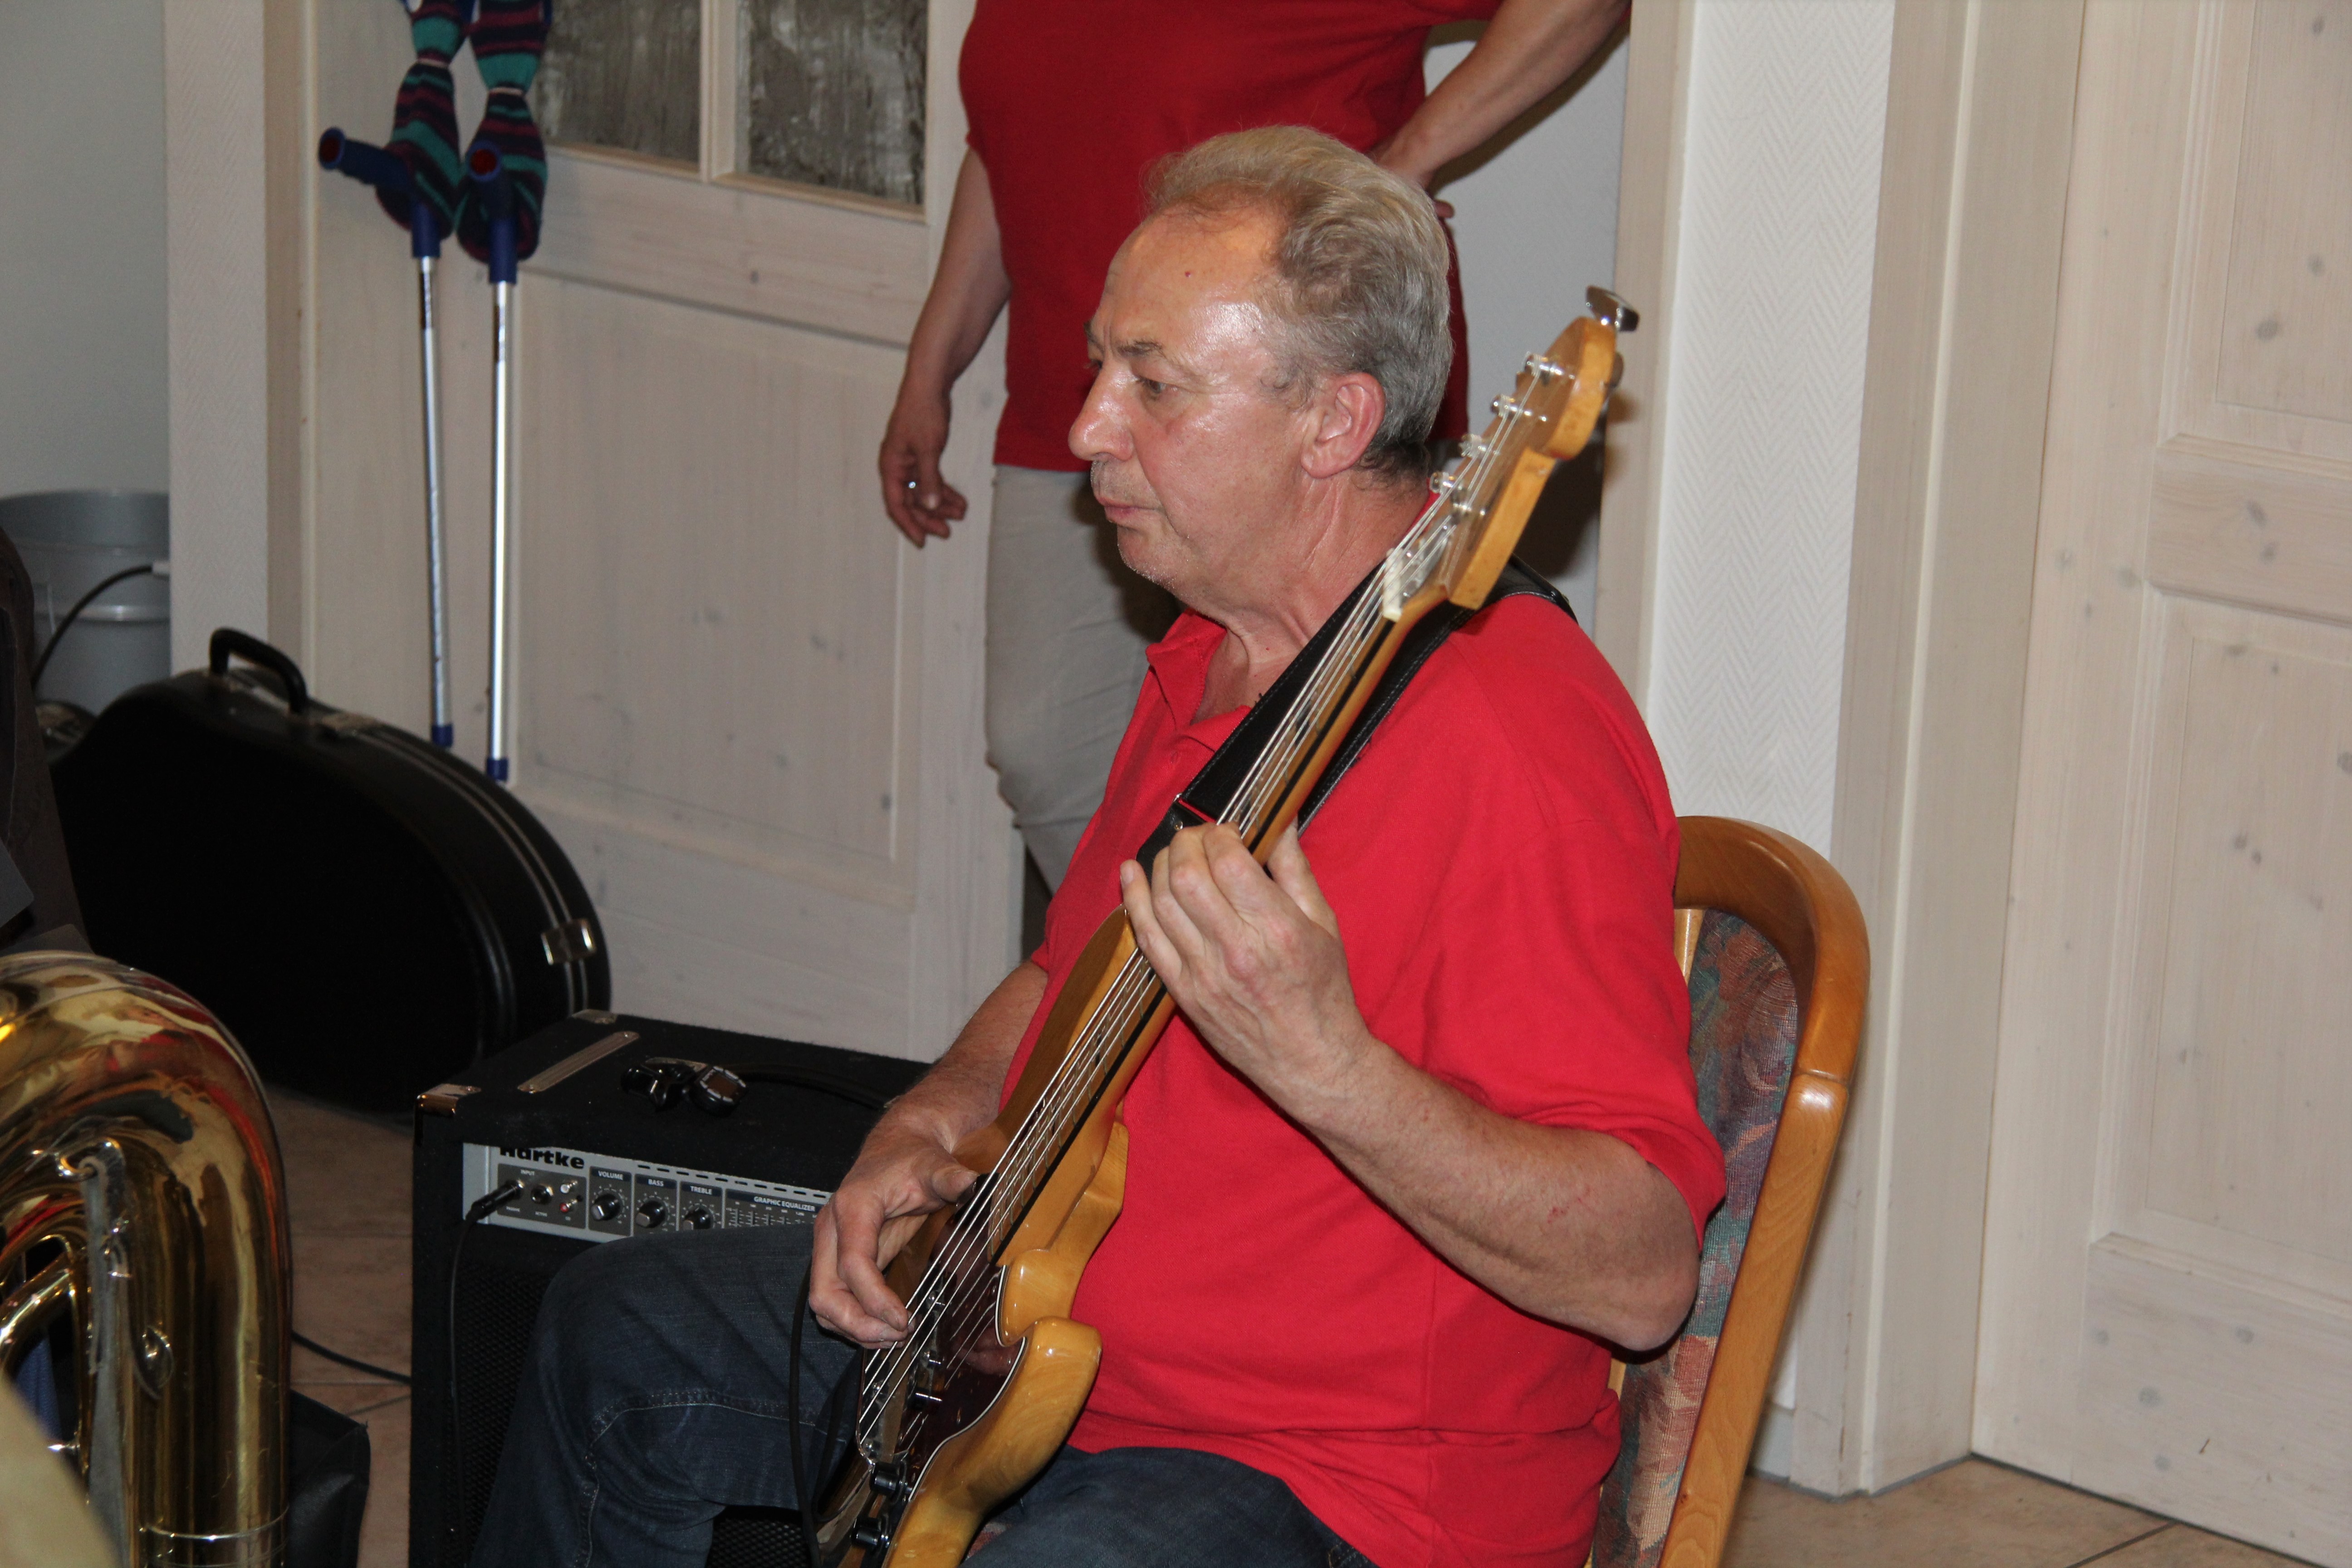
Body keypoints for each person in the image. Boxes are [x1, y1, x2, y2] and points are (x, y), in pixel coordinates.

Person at [471, 128, 1718, 1568]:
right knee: (616, 1333)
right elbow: (1068, 971)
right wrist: (929, 1120)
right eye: (1099, 367)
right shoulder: (1216, 650)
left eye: (1154, 385)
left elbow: (1642, 1272)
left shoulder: (1512, 738)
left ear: (1334, 421)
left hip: (1340, 1479)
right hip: (1040, 1345)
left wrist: (1332, 1067)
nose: (1085, 430)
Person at [880, 0, 1631, 888]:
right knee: (1050, 752)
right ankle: (1156, 963)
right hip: (1078, 408)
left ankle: (1292, 965)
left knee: (1340, 782)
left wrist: (1405, 163)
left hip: (1285, 424)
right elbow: (1007, 143)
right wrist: (930, 368)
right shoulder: (1094, 416)